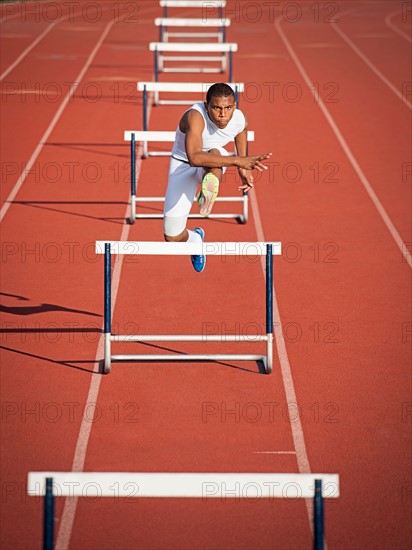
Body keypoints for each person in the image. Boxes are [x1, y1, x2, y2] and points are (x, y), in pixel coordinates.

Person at [163, 82, 271, 272]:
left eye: (228, 108)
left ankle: (209, 189)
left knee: (215, 154)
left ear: (234, 106)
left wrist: (243, 170)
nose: (223, 114)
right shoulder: (195, 116)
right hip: (183, 164)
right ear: (207, 107)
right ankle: (196, 238)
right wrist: (238, 161)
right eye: (216, 108)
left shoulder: (239, 119)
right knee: (171, 236)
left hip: (214, 160)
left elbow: (241, 129)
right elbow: (195, 157)